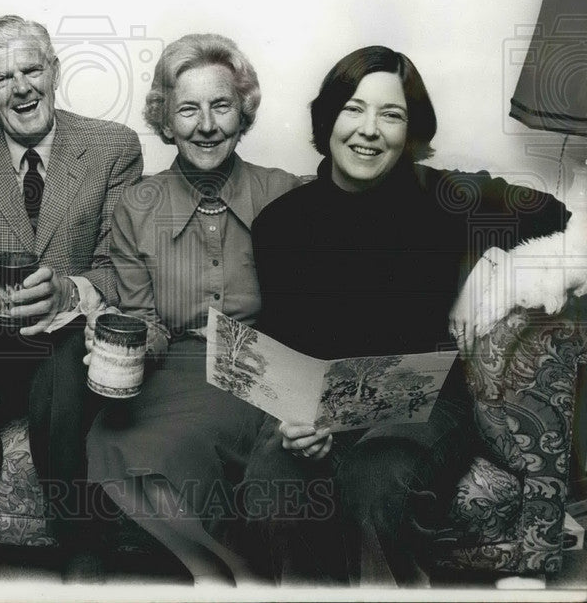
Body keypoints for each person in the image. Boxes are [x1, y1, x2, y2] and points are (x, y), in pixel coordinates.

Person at [243, 45, 585, 586]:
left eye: (392, 114)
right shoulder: (281, 222)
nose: (369, 130)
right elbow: (284, 341)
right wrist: (295, 419)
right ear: (328, 117)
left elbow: (565, 215)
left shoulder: (450, 198)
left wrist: (517, 271)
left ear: (412, 131)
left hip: (421, 400)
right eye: (353, 108)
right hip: (321, 403)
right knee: (276, 483)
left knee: (376, 480)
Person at [0, 15, 143, 585]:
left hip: (68, 326)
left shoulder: (111, 147)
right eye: (3, 79)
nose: (22, 88)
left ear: (54, 71)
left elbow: (121, 264)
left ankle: (83, 549)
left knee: (68, 371)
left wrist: (69, 290)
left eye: (32, 69)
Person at [84, 33, 302, 586]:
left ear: (242, 110)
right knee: (109, 439)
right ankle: (219, 570)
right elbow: (145, 319)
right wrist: (123, 343)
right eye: (188, 109)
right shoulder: (139, 203)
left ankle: (231, 573)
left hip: (259, 369)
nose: (206, 124)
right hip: (177, 365)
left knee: (176, 443)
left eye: (221, 106)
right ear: (167, 118)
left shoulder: (285, 195)